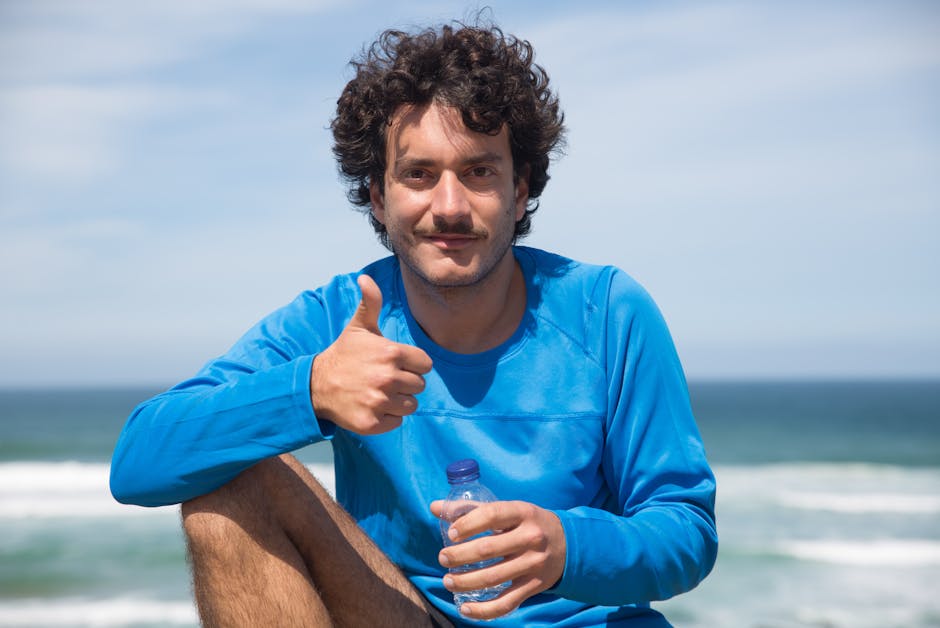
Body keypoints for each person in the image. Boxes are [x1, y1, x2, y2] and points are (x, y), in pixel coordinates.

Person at [110, 20, 717, 628]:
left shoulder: (606, 311)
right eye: (419, 174)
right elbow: (139, 459)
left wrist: (567, 547)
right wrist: (312, 389)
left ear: (521, 189)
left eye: (479, 172)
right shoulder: (339, 317)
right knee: (228, 482)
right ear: (378, 196)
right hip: (399, 614)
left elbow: (686, 531)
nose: (449, 206)